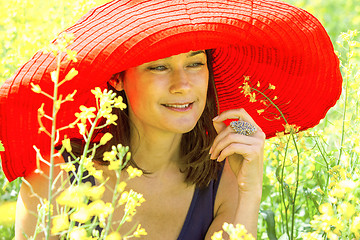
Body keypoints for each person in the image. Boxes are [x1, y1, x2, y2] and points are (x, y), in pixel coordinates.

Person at [0, 0, 342, 239]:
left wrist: (250, 191)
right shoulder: (54, 176)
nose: (183, 85)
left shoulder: (223, 177)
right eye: (159, 66)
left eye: (195, 63)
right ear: (117, 79)